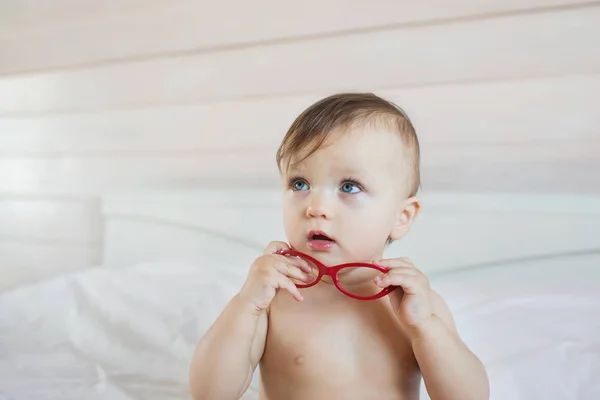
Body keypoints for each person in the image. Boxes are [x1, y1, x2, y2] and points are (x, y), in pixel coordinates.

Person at [189, 93, 490, 400]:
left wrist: (425, 327)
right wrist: (246, 304)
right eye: (300, 184)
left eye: (349, 186)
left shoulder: (416, 306)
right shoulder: (275, 299)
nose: (316, 207)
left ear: (401, 217)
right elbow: (209, 393)